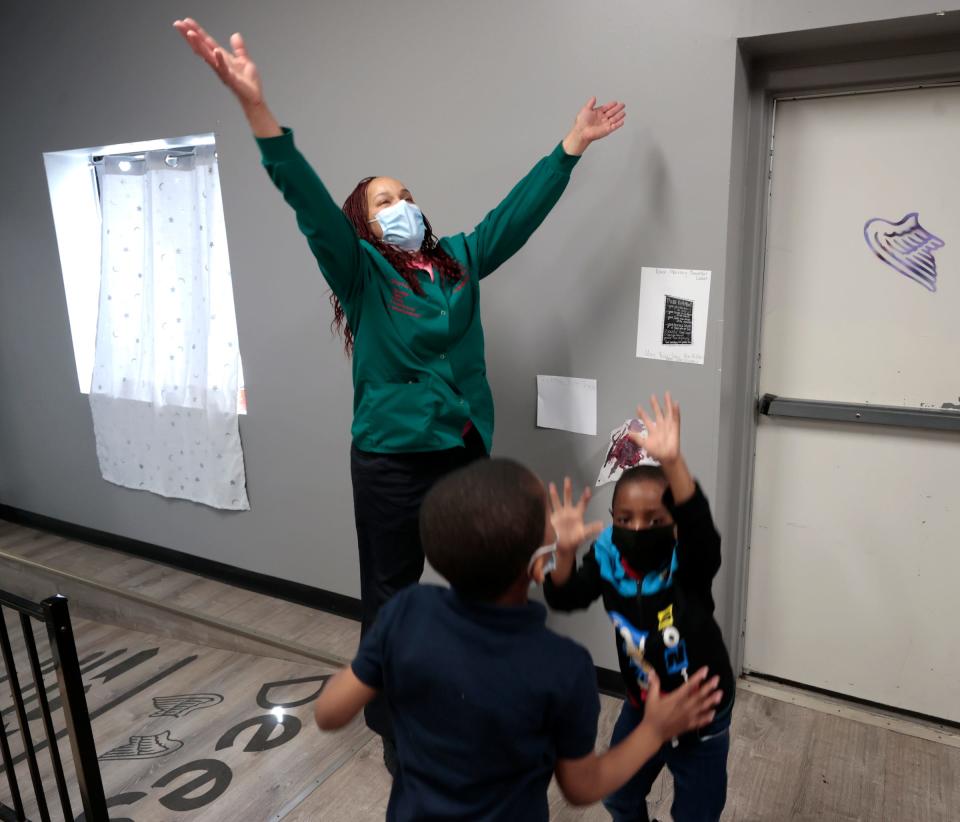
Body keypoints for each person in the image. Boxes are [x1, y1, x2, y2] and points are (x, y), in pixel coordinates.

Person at [173, 17, 626, 770]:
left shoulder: (456, 262)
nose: (403, 204)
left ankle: (480, 694)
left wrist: (570, 145)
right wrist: (258, 111)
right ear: (367, 221)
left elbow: (515, 217)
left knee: (487, 577)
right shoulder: (361, 273)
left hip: (463, 451)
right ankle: (396, 730)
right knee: (392, 594)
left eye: (407, 194)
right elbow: (307, 201)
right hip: (390, 459)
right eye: (386, 199)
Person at [312, 457, 723, 821]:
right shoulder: (562, 665)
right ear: (534, 563)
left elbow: (328, 712)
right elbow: (581, 787)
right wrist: (653, 731)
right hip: (647, 710)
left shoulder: (403, 613)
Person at [543, 393, 735, 822]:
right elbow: (565, 595)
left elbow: (704, 537)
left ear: (675, 525)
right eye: (625, 518)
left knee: (697, 815)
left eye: (654, 520)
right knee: (618, 795)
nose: (637, 528)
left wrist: (673, 463)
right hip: (643, 704)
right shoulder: (607, 555)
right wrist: (566, 552)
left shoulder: (687, 564)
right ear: (612, 518)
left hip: (700, 711)